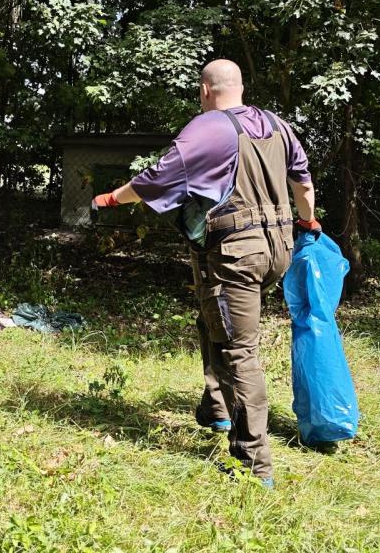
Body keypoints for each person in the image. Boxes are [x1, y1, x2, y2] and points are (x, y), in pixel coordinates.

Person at [93, 59, 319, 486]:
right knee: (213, 315)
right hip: (278, 248)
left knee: (240, 350)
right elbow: (303, 186)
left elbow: (156, 178)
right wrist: (307, 222)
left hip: (237, 252)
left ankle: (252, 463)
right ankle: (216, 407)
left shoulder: (208, 127)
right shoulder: (277, 125)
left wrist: (110, 199)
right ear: (241, 86)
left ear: (204, 90)